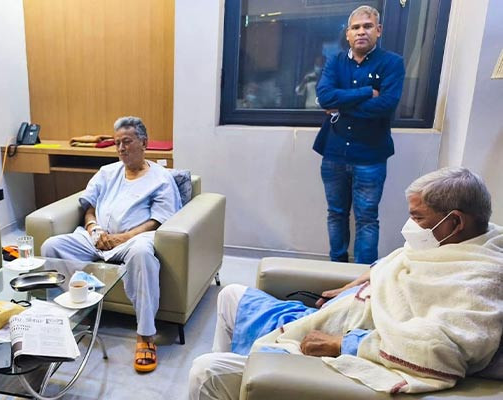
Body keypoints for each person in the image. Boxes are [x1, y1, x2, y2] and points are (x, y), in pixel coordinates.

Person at [189, 167, 503, 399]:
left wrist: (341, 343)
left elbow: (437, 351)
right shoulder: (457, 243)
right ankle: (242, 379)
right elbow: (391, 265)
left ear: (455, 221)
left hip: (347, 346)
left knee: (207, 370)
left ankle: (244, 373)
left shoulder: (479, 281)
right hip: (335, 316)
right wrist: (349, 288)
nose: (410, 226)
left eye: (418, 217)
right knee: (231, 294)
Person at [41, 116, 182, 373]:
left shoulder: (161, 178)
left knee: (142, 254)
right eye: (117, 143)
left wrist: (121, 238)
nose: (121, 148)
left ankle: (145, 335)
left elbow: (157, 221)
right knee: (52, 246)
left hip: (134, 239)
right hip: (97, 237)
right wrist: (94, 228)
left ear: (144, 143)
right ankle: (75, 310)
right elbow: (89, 206)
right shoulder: (107, 172)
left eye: (127, 142)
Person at [313, 5, 405, 264]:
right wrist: (366, 92)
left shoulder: (392, 63)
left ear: (379, 30)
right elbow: (324, 97)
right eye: (355, 27)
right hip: (334, 153)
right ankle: (337, 269)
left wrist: (341, 105)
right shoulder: (335, 61)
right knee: (336, 214)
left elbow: (386, 105)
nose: (361, 31)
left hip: (370, 156)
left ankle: (363, 277)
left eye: (367, 26)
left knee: (366, 218)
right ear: (348, 34)